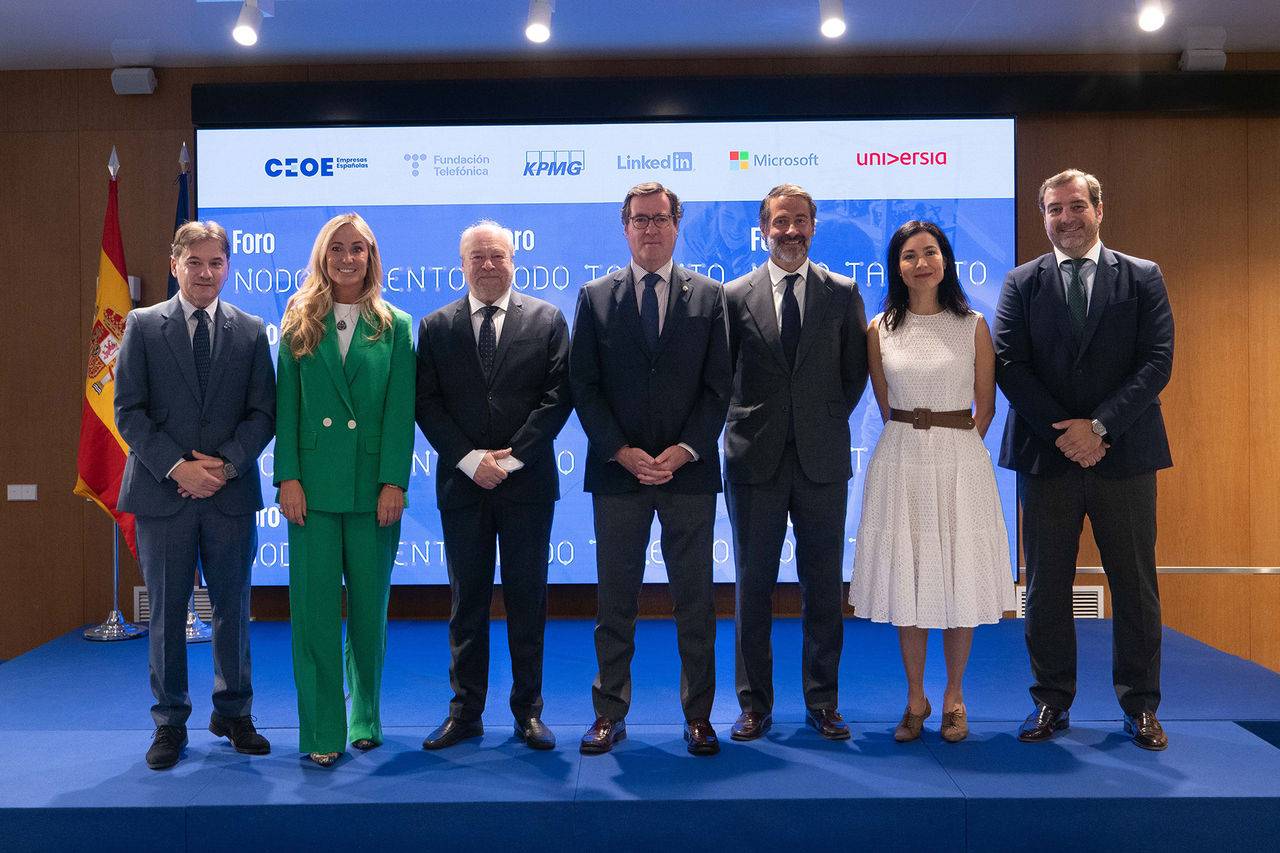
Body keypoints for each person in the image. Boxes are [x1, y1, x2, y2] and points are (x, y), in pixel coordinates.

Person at [994, 169, 1174, 750]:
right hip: (1048, 460)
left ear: (1100, 209)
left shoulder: (1143, 277)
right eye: (1054, 210)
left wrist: (1098, 428)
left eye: (1076, 207)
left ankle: (1141, 706)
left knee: (1136, 584)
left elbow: (1156, 363)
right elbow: (1009, 366)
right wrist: (1065, 435)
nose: (1066, 219)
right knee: (1046, 586)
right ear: (1042, 217)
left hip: (1123, 454)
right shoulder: (1021, 282)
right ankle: (1050, 701)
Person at [569, 182, 731, 756]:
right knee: (615, 599)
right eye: (640, 220)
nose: (650, 229)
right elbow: (583, 386)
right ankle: (608, 713)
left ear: (676, 225)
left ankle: (700, 717)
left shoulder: (711, 297)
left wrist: (686, 449)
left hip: (688, 473)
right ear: (625, 228)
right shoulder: (594, 296)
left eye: (660, 219)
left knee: (695, 600)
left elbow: (719, 389)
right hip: (619, 473)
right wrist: (621, 450)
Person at [115, 221, 276, 770]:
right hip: (164, 496)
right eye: (196, 263)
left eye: (216, 263)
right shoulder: (141, 325)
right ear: (175, 264)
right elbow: (127, 413)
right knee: (166, 613)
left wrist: (227, 465)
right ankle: (169, 722)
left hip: (229, 496)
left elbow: (263, 414)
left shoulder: (252, 330)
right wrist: (178, 467)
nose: (207, 273)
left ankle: (234, 713)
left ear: (227, 267)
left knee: (233, 609)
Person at [850, 220, 1015, 744]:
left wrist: (953, 446)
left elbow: (985, 407)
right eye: (909, 255)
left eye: (930, 252)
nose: (921, 262)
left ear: (945, 259)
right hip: (900, 460)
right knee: (910, 578)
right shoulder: (878, 329)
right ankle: (915, 696)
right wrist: (917, 439)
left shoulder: (973, 325)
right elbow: (883, 401)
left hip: (960, 463)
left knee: (957, 574)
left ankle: (955, 696)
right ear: (896, 266)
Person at [415, 221, 572, 751]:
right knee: (467, 603)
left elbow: (557, 397)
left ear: (514, 259)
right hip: (463, 486)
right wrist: (468, 459)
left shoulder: (548, 319)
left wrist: (510, 460)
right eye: (477, 257)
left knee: (529, 600)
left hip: (526, 486)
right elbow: (427, 403)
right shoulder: (435, 327)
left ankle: (528, 712)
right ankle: (466, 713)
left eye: (497, 256)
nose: (487, 265)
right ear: (462, 264)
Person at [722, 184, 867, 742]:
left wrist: (820, 418)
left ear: (814, 226)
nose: (791, 231)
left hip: (822, 460)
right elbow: (723, 377)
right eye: (780, 221)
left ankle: (823, 701)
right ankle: (753, 704)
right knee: (752, 588)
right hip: (753, 460)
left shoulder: (842, 291)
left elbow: (853, 374)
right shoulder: (734, 296)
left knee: (823, 588)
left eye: (801, 220)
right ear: (763, 229)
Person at [274, 213, 416, 767]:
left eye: (358, 248)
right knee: (312, 615)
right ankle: (322, 731)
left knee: (367, 614)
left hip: (371, 492)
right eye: (338, 249)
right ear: (322, 256)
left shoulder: (396, 325)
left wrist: (393, 483)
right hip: (309, 491)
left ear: (372, 257)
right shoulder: (298, 318)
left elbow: (401, 413)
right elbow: (287, 407)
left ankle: (366, 718)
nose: (348, 258)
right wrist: (287, 477)